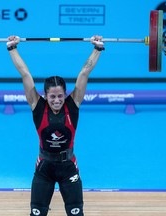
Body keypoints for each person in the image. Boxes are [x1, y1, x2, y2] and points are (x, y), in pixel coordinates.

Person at [6, 35, 104, 216]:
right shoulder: (37, 104)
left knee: (76, 214)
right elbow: (25, 73)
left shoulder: (73, 104)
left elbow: (84, 73)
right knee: (37, 214)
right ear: (45, 95)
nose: (57, 100)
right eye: (52, 96)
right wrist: (12, 48)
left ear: (65, 94)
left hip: (68, 167)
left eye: (60, 96)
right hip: (44, 167)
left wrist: (97, 49)